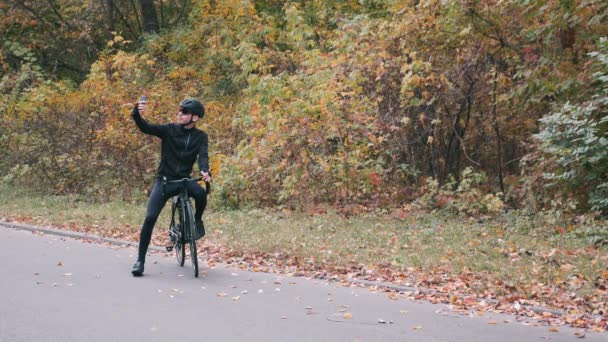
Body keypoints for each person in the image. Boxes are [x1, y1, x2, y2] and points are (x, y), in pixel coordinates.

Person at [130, 96, 211, 277]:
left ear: (195, 118)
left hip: (184, 180)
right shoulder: (169, 130)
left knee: (200, 194)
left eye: (185, 112)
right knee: (150, 217)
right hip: (165, 181)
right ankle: (140, 261)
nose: (180, 114)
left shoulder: (200, 136)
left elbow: (203, 157)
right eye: (180, 111)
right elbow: (146, 128)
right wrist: (137, 113)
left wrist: (205, 171)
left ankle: (197, 221)